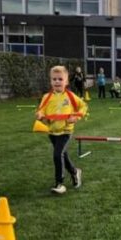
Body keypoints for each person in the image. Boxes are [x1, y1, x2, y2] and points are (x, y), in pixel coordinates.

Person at [35, 65, 87, 194]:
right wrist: (40, 116)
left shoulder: (70, 96)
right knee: (62, 155)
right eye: (54, 79)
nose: (57, 82)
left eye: (60, 79)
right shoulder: (46, 97)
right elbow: (40, 110)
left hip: (66, 131)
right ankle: (75, 172)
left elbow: (83, 106)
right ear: (51, 81)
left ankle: (60, 183)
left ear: (66, 81)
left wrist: (75, 117)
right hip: (52, 132)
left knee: (57, 154)